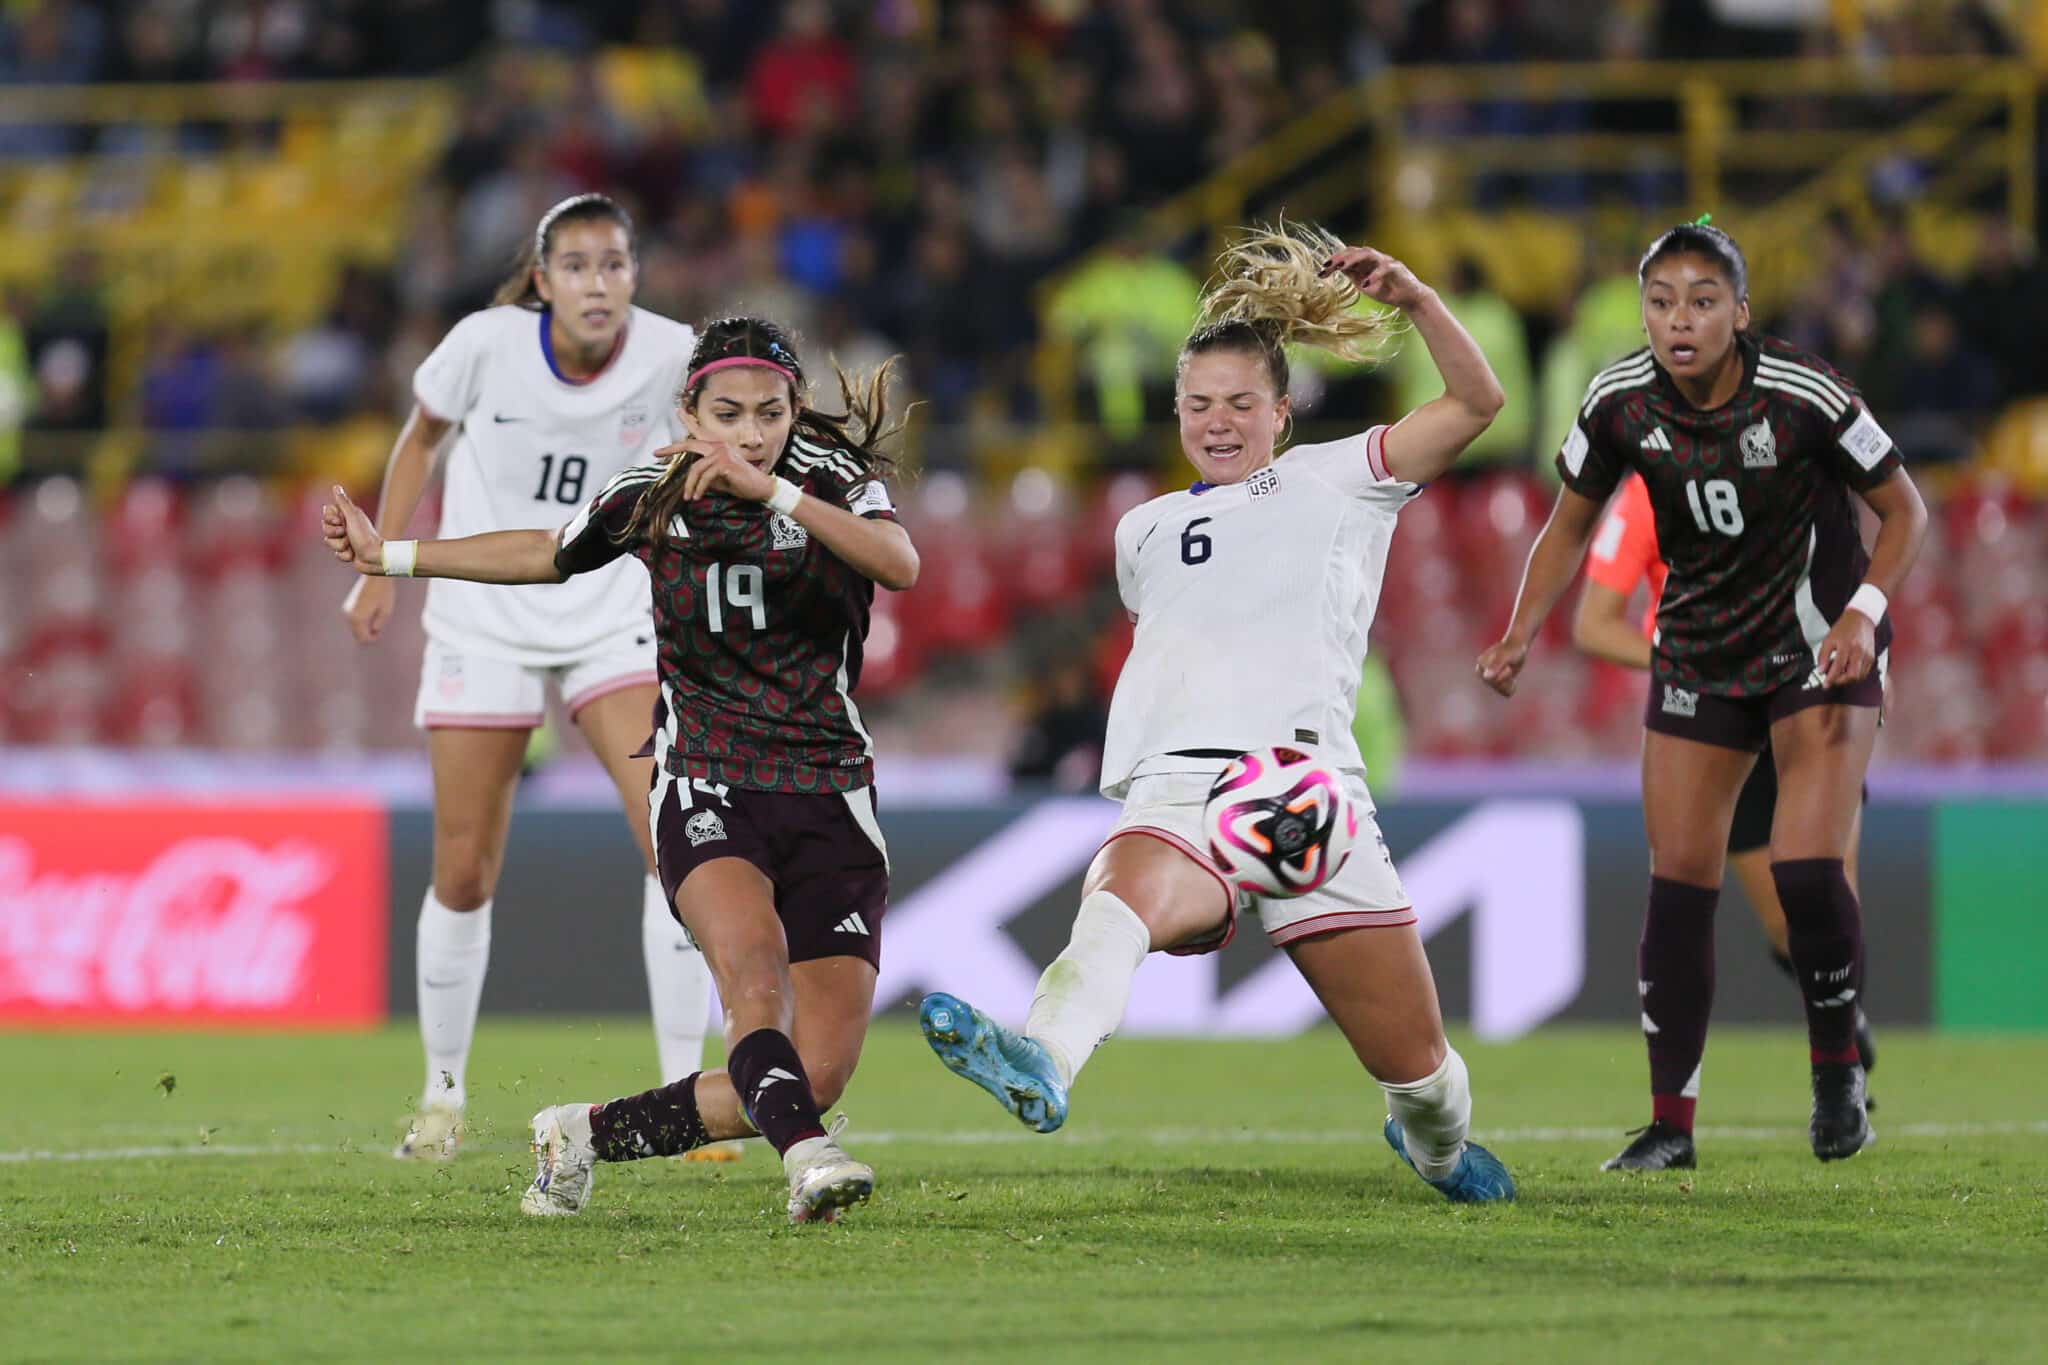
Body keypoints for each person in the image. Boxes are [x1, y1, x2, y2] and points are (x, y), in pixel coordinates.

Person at [917, 224, 1517, 1204]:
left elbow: (1476, 404)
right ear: (1174, 412)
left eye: (1241, 402)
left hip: (1302, 794)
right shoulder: (1142, 528)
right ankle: (1041, 1059)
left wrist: (1411, 300)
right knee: (1110, 914)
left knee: (1421, 1076)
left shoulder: (1340, 478)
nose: (1219, 420)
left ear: (1282, 411)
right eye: (1197, 404)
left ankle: (1435, 1144)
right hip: (1176, 785)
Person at [324, 316, 918, 1225]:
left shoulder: (831, 481)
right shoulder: (656, 490)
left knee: (816, 1073)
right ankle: (810, 1160)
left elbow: (900, 561)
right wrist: (391, 557)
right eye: (727, 412)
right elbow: (546, 551)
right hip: (706, 780)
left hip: (831, 794)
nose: (750, 432)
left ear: (797, 410)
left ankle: (582, 1133)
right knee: (754, 981)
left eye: (770, 412)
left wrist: (778, 495)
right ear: (686, 411)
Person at [1478, 219, 1928, 1169]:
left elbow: (1904, 508)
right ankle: (1670, 1127)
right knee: (1679, 887)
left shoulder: (1804, 391)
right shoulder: (1616, 400)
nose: (1678, 320)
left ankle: (1838, 1065)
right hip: (1698, 653)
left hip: (1818, 649)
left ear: (1741, 312)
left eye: (1702, 301)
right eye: (1661, 302)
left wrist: (1864, 615)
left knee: (1806, 873)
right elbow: (1567, 528)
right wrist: (1521, 628)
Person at [340, 193, 717, 1161]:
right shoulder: (483, 344)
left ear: (636, 275)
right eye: (579, 265)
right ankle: (441, 1097)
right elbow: (423, 434)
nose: (600, 283)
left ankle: (689, 1092)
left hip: (611, 611)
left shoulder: (676, 356)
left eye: (616, 264)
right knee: (464, 870)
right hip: (485, 605)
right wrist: (381, 565)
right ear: (542, 280)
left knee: (673, 848)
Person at [1574, 470, 1880, 1143]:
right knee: (1786, 929)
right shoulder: (1644, 492)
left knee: (1825, 890)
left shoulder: (1784, 438)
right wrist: (1687, 662)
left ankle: (1839, 1069)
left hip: (1809, 690)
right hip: (1718, 719)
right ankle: (1843, 1025)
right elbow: (1593, 623)